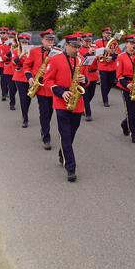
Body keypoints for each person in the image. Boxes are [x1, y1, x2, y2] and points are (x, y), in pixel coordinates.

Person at [44, 34, 88, 182]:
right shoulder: (55, 59)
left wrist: (84, 79)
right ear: (67, 45)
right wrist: (61, 92)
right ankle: (71, 168)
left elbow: (86, 81)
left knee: (71, 134)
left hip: (77, 102)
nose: (77, 49)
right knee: (65, 134)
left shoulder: (81, 60)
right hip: (61, 101)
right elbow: (47, 80)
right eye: (74, 47)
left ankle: (62, 153)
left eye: (78, 47)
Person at [24, 29, 57, 150]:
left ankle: (44, 128)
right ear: (42, 40)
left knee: (50, 111)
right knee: (44, 112)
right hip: (40, 86)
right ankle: (46, 137)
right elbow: (26, 66)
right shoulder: (34, 51)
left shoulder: (58, 52)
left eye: (52, 40)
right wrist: (29, 78)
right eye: (48, 40)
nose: (50, 42)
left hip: (53, 87)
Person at [94, 27, 120, 107]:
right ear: (103, 34)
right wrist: (104, 49)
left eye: (109, 33)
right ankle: (105, 100)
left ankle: (105, 94)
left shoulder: (114, 42)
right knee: (104, 84)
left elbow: (118, 53)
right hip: (102, 67)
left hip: (112, 66)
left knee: (111, 83)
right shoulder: (97, 42)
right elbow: (95, 52)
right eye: (106, 33)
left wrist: (112, 57)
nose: (108, 35)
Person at [12, 33, 32, 127]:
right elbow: (13, 63)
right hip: (20, 77)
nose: (24, 43)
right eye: (22, 42)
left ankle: (25, 112)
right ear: (19, 42)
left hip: (30, 78)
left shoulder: (33, 51)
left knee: (28, 98)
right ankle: (25, 118)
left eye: (26, 42)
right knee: (23, 98)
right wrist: (21, 54)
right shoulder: (16, 51)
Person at [78, 33, 98, 121]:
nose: (88, 43)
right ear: (82, 41)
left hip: (93, 74)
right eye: (86, 41)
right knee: (85, 95)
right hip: (85, 74)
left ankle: (83, 107)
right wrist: (88, 53)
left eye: (89, 41)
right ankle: (88, 114)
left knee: (92, 94)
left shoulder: (95, 48)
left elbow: (100, 59)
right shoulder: (79, 49)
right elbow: (80, 60)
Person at [2, 31, 17, 110]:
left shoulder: (18, 46)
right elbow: (3, 58)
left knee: (15, 88)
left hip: (17, 70)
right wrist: (10, 52)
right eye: (10, 36)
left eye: (13, 36)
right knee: (11, 87)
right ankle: (12, 103)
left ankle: (12, 97)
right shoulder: (4, 45)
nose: (11, 37)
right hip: (8, 69)